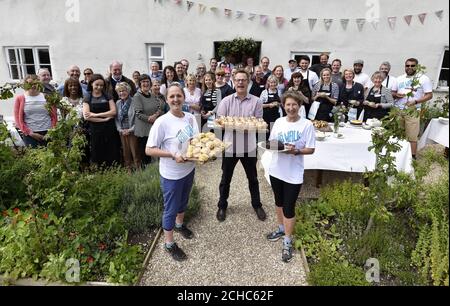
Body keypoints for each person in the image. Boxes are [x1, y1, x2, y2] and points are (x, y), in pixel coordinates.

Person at [146, 83, 199, 262]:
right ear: (167, 100)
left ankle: (179, 225)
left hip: (188, 169)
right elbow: (149, 150)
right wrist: (172, 154)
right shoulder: (162, 122)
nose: (176, 99)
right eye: (172, 96)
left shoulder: (191, 118)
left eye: (179, 96)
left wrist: (200, 153)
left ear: (184, 97)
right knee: (170, 208)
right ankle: (169, 244)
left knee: (184, 200)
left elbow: (193, 140)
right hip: (171, 174)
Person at [266, 91, 315, 262]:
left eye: (294, 104)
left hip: (293, 173)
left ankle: (287, 240)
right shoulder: (279, 122)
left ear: (300, 106)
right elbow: (271, 142)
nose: (291, 107)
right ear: (283, 106)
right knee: (278, 202)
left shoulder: (307, 125)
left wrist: (296, 151)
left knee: (289, 207)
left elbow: (311, 149)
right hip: (276, 170)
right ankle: (281, 228)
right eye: (288, 104)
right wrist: (278, 146)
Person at [216, 69, 266, 222]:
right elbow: (219, 124)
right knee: (226, 179)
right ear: (233, 81)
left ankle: (257, 205)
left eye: (243, 80)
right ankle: (222, 206)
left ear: (248, 81)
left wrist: (244, 126)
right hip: (230, 147)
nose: (240, 82)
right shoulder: (226, 101)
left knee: (253, 179)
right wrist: (238, 126)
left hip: (249, 147)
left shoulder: (256, 101)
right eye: (237, 80)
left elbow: (258, 123)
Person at [393, 58, 433, 159]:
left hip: (413, 110)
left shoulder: (423, 78)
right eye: (407, 65)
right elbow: (392, 93)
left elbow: (429, 95)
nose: (410, 67)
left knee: (412, 135)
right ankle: (399, 156)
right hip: (398, 109)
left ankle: (412, 157)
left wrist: (415, 101)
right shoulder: (399, 79)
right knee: (398, 133)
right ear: (405, 66)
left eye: (412, 65)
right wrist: (397, 95)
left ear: (417, 66)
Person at [83, 74, 120, 167]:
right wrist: (104, 119)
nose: (99, 87)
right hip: (95, 129)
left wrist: (96, 115)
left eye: (101, 85)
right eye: (97, 85)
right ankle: (100, 171)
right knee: (97, 150)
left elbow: (113, 111)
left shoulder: (107, 95)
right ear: (91, 84)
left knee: (111, 150)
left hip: (109, 129)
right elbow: (87, 116)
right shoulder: (87, 97)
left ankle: (114, 170)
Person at [14, 75, 57, 147]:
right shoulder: (20, 98)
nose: (33, 86)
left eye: (35, 83)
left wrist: (51, 131)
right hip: (30, 135)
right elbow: (18, 119)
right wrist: (31, 133)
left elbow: (54, 116)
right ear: (25, 84)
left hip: (48, 133)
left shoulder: (47, 97)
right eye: (30, 84)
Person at [133, 74, 165, 166]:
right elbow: (138, 113)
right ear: (139, 83)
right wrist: (149, 118)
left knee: (154, 154)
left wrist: (156, 115)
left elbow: (160, 108)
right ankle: (145, 176)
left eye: (147, 81)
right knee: (145, 156)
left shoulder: (152, 95)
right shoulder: (137, 96)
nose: (145, 83)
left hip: (153, 129)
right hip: (143, 131)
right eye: (143, 82)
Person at [115, 82, 140, 171]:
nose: (122, 93)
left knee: (135, 152)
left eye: (124, 90)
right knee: (126, 153)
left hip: (133, 131)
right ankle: (128, 170)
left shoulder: (134, 101)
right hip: (122, 132)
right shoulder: (117, 103)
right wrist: (120, 130)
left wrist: (130, 130)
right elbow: (116, 118)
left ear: (128, 91)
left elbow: (138, 118)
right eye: (120, 91)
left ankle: (139, 171)